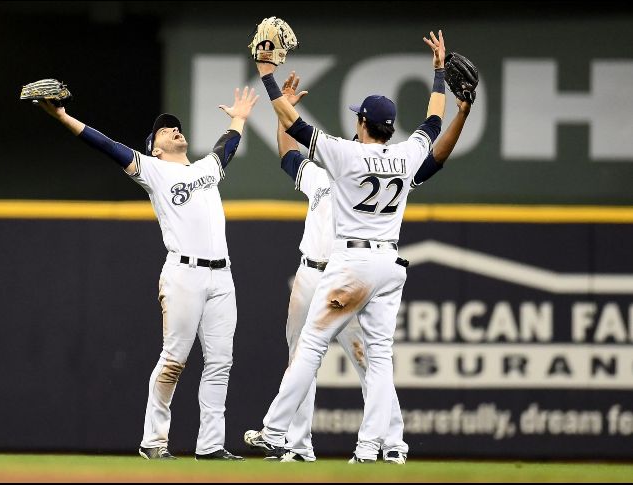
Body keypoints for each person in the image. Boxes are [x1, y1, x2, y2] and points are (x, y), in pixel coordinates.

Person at [244, 30, 448, 463]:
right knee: (379, 359)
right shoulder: (408, 153)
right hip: (390, 264)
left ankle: (274, 430)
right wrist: (438, 73)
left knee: (311, 347)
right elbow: (433, 123)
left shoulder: (345, 156)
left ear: (361, 124)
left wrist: (267, 74)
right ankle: (372, 448)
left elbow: (293, 125)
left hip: (352, 262)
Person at [35, 86, 259, 461]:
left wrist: (239, 117)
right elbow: (104, 144)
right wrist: (61, 117)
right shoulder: (152, 170)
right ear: (154, 147)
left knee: (221, 362)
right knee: (174, 359)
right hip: (183, 274)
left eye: (176, 127)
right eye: (165, 130)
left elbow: (228, 146)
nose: (174, 131)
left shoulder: (207, 168)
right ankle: (153, 441)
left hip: (223, 277)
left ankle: (211, 446)